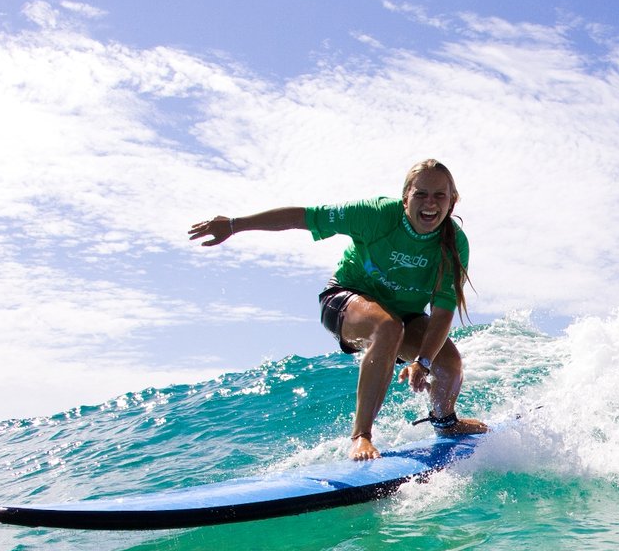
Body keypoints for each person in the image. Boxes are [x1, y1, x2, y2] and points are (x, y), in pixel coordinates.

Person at [188, 158, 487, 461]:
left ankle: (445, 423)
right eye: (421, 194)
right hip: (345, 301)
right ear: (405, 198)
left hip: (405, 315)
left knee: (448, 365)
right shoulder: (376, 215)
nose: (430, 203)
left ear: (452, 201)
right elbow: (304, 217)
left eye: (440, 195)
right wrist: (235, 225)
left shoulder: (454, 244)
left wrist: (422, 362)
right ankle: (361, 436)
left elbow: (442, 312)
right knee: (387, 327)